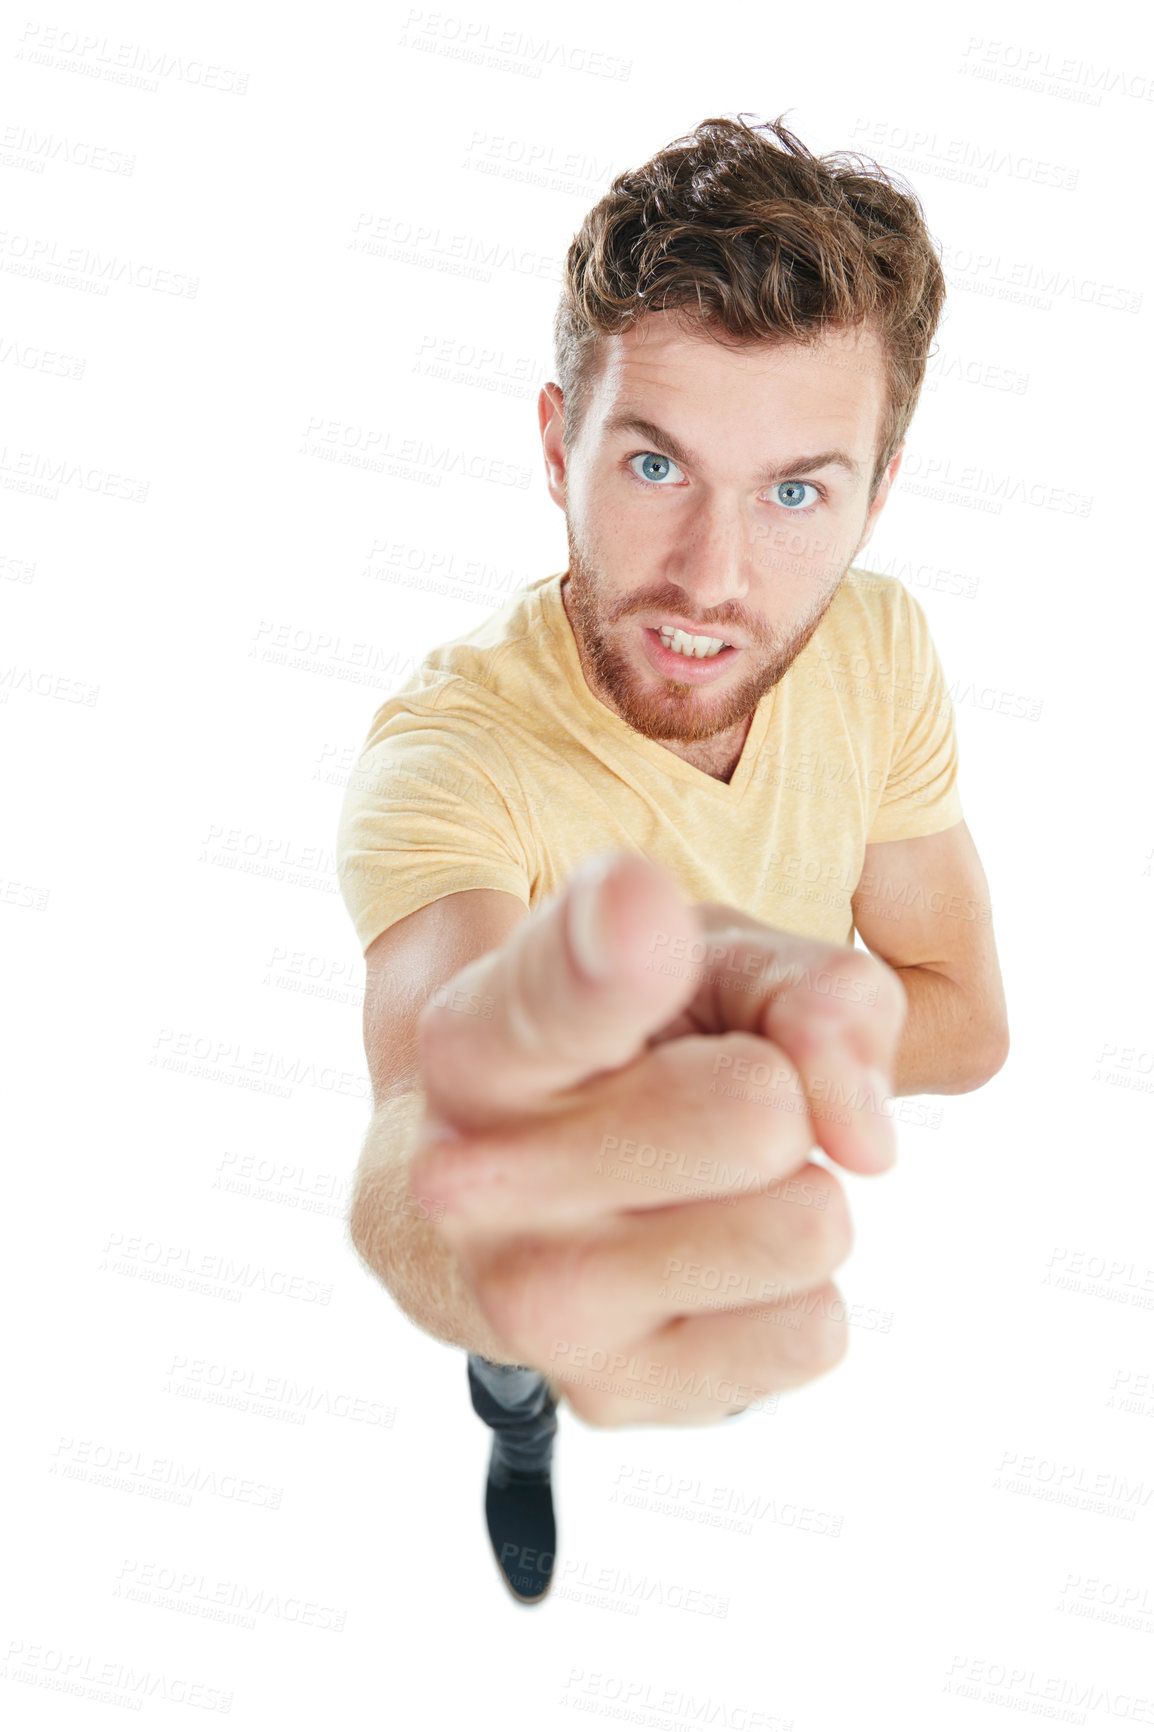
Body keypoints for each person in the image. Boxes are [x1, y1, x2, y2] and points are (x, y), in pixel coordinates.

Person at [336, 112, 1010, 1605]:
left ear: (874, 498)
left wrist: (767, 1052)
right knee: (519, 1349)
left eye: (793, 493)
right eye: (653, 464)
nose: (712, 580)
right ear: (554, 442)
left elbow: (963, 1013)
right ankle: (514, 1427)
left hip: (739, 1186)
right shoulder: (448, 758)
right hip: (550, 1217)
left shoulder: (881, 642)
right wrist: (459, 1204)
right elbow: (416, 1119)